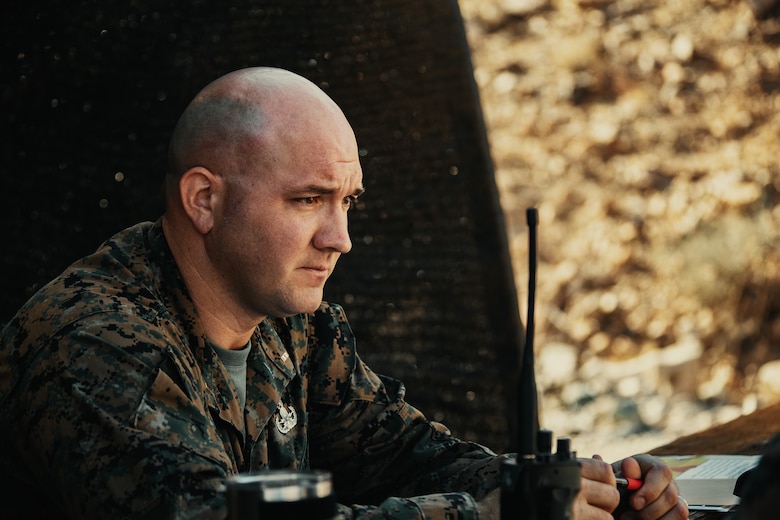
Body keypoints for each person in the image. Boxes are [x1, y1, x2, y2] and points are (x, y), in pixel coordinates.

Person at [0, 67, 688, 519]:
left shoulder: (294, 325)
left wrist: (579, 489)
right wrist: (483, 514)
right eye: (309, 200)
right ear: (204, 200)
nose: (340, 238)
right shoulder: (91, 342)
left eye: (347, 202)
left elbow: (405, 456)